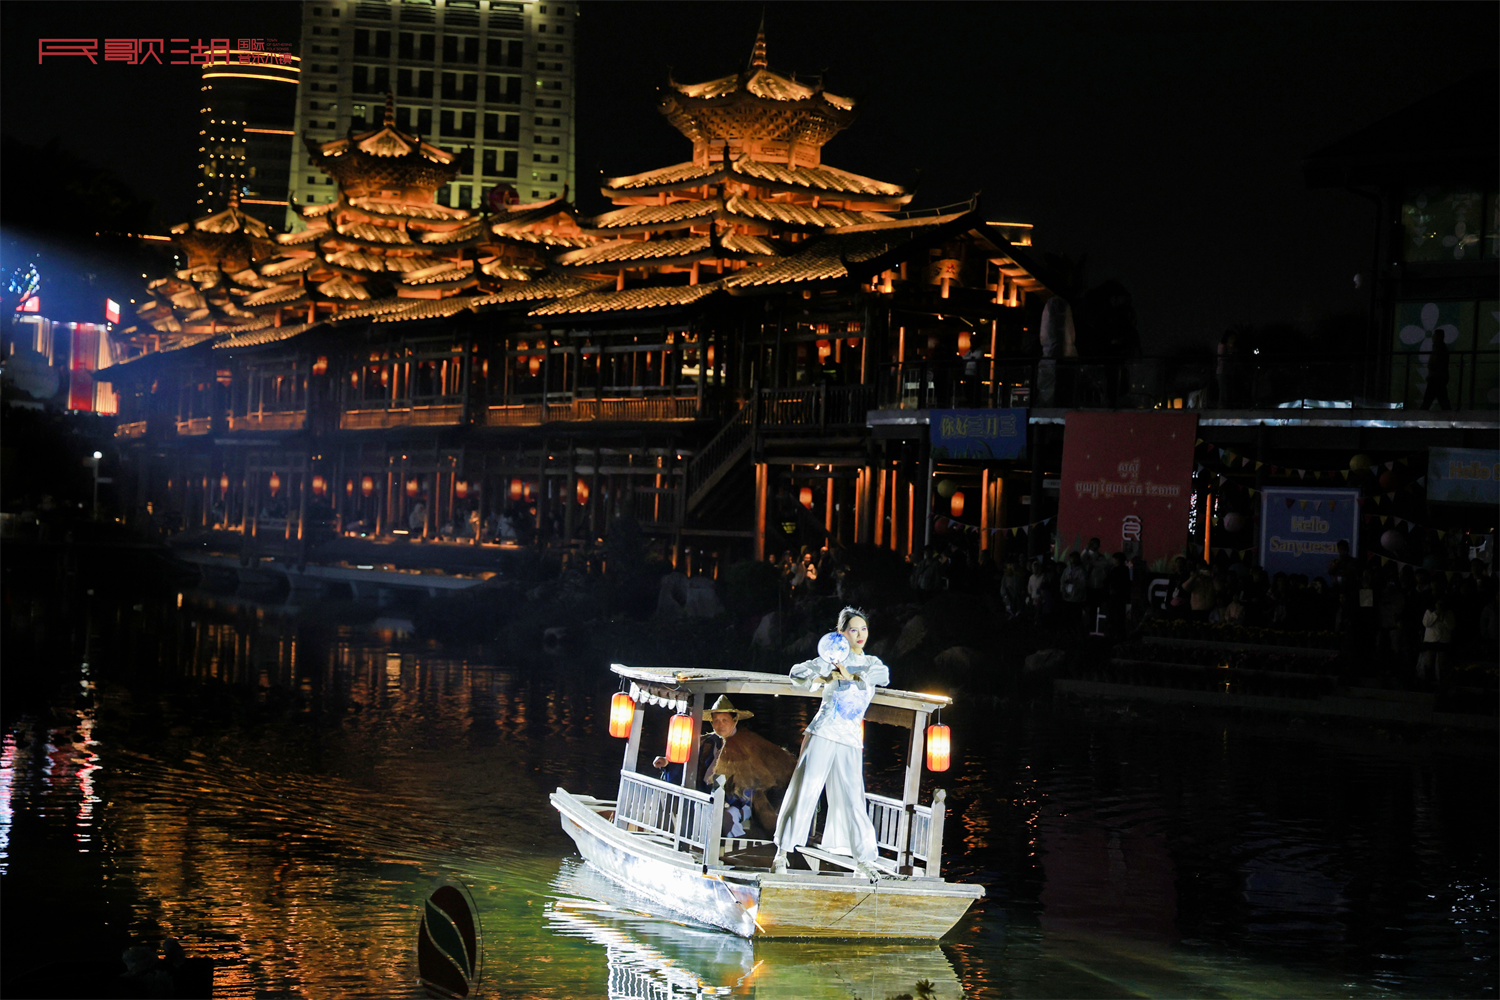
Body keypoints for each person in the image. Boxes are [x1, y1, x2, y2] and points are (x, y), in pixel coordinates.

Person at [772, 607, 890, 881]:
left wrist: (850, 675)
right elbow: (797, 674)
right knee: (805, 789)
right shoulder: (832, 659)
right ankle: (781, 853)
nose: (860, 635)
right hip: (824, 731)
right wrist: (824, 677)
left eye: (863, 629)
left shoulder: (871, 663)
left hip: (850, 738)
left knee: (853, 798)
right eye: (853, 630)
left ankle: (863, 860)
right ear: (841, 633)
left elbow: (881, 676)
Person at [655, 696, 796, 837]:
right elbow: (687, 758)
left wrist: (728, 800)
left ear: (734, 721)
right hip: (708, 796)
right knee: (692, 807)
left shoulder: (747, 746)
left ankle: (732, 846)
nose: (720, 725)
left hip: (740, 801)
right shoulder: (707, 742)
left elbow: (750, 783)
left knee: (728, 817)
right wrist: (667, 762)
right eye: (716, 721)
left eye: (724, 720)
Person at [1420, 331, 1452, 410]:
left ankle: (1421, 414)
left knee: (1429, 399)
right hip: (1439, 377)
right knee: (1442, 399)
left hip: (1435, 377)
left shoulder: (1438, 348)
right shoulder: (1442, 348)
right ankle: (1449, 414)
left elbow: (1434, 362)